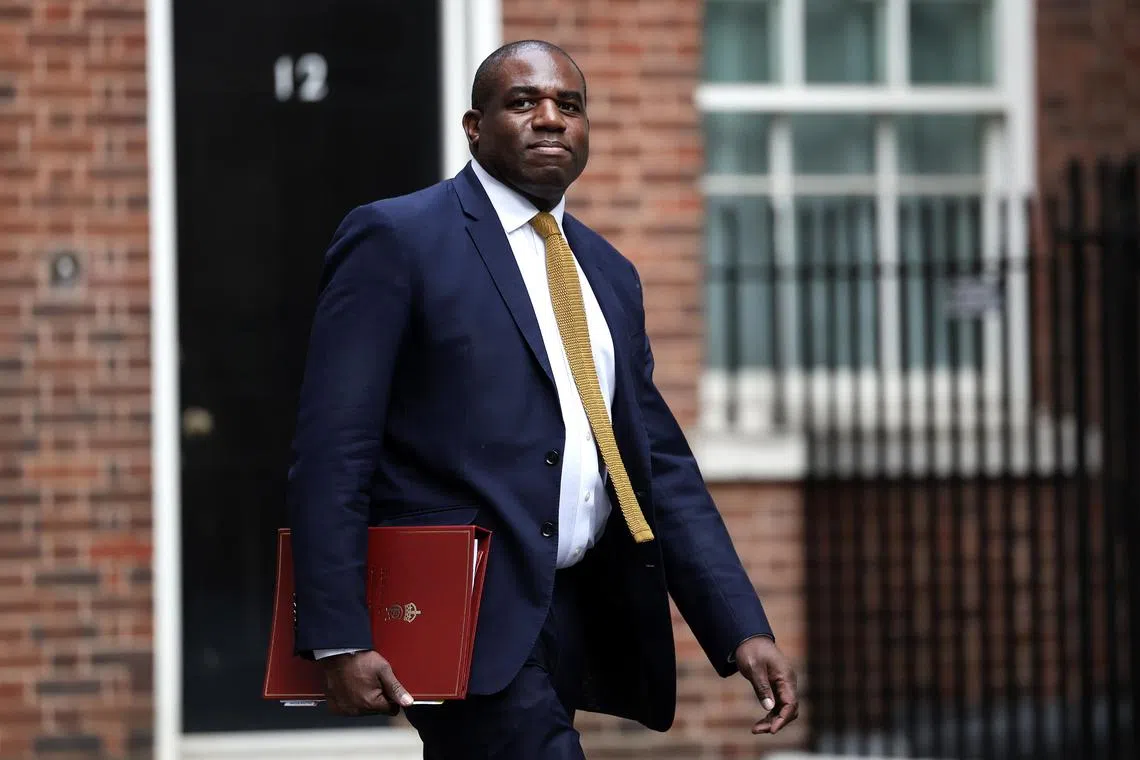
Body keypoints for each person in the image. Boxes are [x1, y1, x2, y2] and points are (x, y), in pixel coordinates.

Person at [286, 39, 798, 758]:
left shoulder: (609, 274)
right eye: (524, 102)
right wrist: (338, 631)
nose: (551, 118)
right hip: (459, 612)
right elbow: (332, 450)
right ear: (475, 125)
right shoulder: (398, 239)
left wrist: (740, 626)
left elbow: (656, 467)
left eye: (569, 105)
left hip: (574, 611)